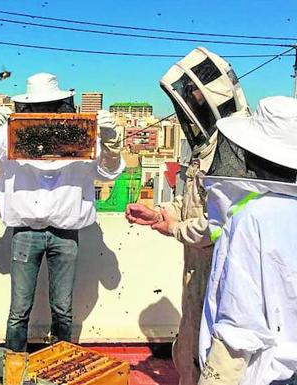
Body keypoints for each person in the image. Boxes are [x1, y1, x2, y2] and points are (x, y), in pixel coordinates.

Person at [0, 72, 124, 352]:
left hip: (66, 234)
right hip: (26, 232)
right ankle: (13, 368)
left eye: (48, 106)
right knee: (19, 311)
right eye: (38, 107)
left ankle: (59, 364)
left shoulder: (79, 135)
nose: (43, 112)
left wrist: (111, 140)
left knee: (63, 310)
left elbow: (108, 170)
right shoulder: (8, 135)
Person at [124, 47, 250, 385]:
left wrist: (176, 227)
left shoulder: (237, 147)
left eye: (196, 94)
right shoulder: (208, 144)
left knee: (216, 361)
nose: (191, 102)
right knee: (189, 351)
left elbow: (225, 225)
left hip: (224, 274)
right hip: (196, 269)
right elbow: (194, 203)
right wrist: (158, 215)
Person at [196, 96, 297, 385]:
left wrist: (214, 379)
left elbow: (239, 322)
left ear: (252, 156)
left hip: (269, 374)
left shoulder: (253, 216)